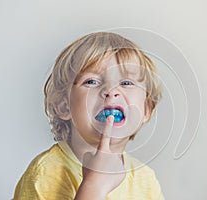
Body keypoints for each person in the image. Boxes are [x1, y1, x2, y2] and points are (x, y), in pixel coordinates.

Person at [13, 32, 164, 200]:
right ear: (64, 106)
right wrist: (94, 185)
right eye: (92, 81)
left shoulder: (146, 180)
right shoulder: (46, 172)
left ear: (146, 109)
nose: (111, 91)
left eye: (126, 83)